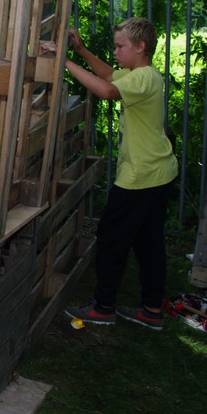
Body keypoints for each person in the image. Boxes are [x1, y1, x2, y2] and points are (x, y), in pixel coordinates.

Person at [62, 18, 178, 331]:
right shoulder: (141, 75)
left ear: (140, 47)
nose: (115, 52)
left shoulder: (144, 77)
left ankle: (103, 307)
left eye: (120, 46)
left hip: (141, 176)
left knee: (111, 238)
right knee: (148, 241)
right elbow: (110, 75)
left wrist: (65, 62)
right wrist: (81, 51)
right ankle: (151, 309)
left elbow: (108, 90)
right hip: (159, 172)